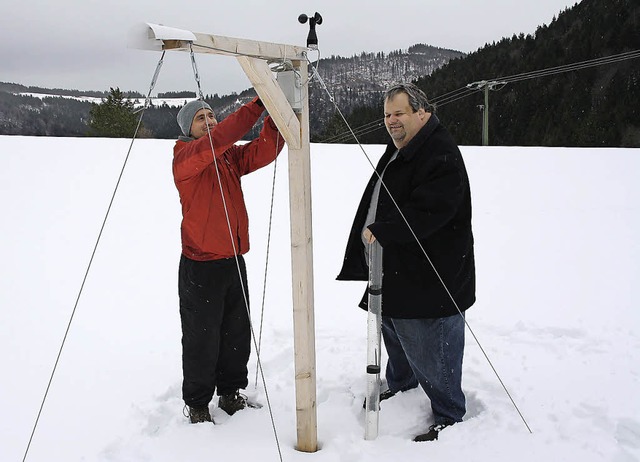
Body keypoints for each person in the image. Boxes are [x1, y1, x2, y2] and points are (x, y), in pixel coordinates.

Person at [337, 83, 475, 441]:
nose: (391, 121)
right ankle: (402, 383)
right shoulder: (404, 147)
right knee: (395, 330)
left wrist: (383, 229)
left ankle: (449, 414)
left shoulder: (439, 152)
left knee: (430, 344)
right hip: (396, 268)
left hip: (431, 274)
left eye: (399, 113)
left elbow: (432, 210)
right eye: (386, 115)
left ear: (422, 112)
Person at [173, 96, 284, 424]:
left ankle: (230, 393)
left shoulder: (227, 157)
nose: (208, 121)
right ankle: (197, 405)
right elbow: (219, 138)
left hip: (233, 261)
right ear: (187, 129)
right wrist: (258, 102)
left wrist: (275, 117)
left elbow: (263, 150)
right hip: (201, 265)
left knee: (236, 332)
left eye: (211, 115)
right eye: (200, 119)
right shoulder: (187, 157)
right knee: (201, 337)